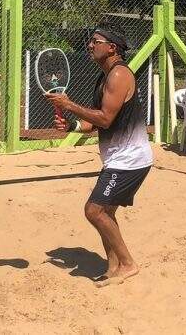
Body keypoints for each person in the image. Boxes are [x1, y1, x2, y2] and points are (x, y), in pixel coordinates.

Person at [45, 22, 153, 287]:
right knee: (107, 212)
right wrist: (71, 124)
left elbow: (105, 119)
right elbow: (92, 123)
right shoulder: (103, 77)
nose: (90, 45)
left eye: (96, 41)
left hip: (130, 160)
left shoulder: (118, 75)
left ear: (112, 47)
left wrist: (68, 104)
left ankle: (128, 264)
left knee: (94, 211)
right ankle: (113, 266)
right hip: (119, 158)